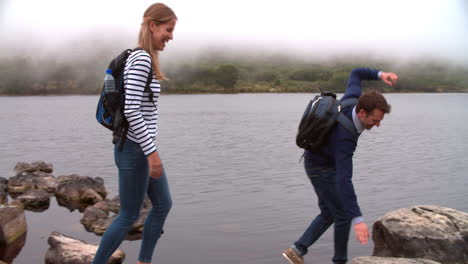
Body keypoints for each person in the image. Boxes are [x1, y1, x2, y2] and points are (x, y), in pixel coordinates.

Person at [282, 67, 398, 264]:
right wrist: (358, 219)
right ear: (362, 113)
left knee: (330, 212)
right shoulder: (346, 139)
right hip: (320, 168)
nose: (377, 125)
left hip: (319, 159)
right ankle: (339, 260)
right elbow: (344, 179)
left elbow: (355, 73)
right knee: (342, 214)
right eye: (375, 120)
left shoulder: (352, 99)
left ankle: (297, 250)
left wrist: (381, 75)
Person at [92, 3, 177, 264]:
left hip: (140, 146)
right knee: (128, 215)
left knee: (163, 204)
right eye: (168, 29)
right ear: (153, 26)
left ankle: (144, 261)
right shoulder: (140, 59)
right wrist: (151, 153)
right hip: (135, 148)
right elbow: (130, 110)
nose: (171, 36)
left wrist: (150, 149)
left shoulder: (142, 58)